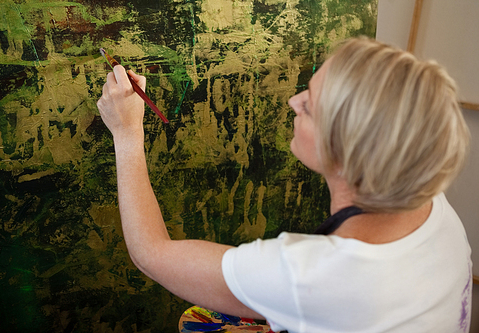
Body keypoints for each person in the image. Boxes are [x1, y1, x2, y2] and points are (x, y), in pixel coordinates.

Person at [97, 37, 472, 333]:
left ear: (344, 149)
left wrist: (127, 133)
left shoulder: (311, 276)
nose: (294, 101)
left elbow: (150, 254)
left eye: (309, 106)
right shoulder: (431, 202)